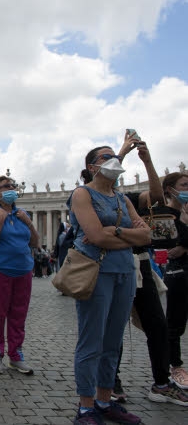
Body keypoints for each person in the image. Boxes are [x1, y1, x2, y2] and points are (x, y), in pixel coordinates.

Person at [68, 146, 150, 425]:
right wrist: (129, 237)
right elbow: (93, 235)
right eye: (106, 157)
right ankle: (86, 406)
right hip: (97, 271)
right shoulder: (82, 194)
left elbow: (146, 236)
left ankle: (105, 401)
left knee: (113, 342)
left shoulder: (122, 199)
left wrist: (114, 231)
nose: (114, 160)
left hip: (124, 272)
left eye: (115, 155)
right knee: (92, 341)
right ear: (92, 166)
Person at [110, 136, 188, 405]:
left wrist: (147, 160)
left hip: (141, 264)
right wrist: (120, 152)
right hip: (113, 267)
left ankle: (162, 383)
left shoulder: (129, 198)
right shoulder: (90, 198)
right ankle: (111, 380)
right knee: (114, 328)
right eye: (104, 160)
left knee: (157, 325)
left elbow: (156, 197)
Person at [0, 176, 38, 376]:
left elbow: (35, 243)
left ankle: (16, 356)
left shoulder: (22, 214)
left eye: (13, 186)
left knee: (19, 315)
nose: (11, 189)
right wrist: (1, 218)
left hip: (23, 270)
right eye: (6, 186)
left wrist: (29, 223)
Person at [160, 172, 188, 390]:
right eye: (185, 185)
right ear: (171, 189)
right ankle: (175, 366)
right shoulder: (165, 215)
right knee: (175, 324)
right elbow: (170, 248)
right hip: (178, 274)